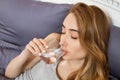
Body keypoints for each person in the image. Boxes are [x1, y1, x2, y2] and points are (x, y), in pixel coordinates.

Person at [5, 2, 109, 80]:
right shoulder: (54, 42)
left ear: (93, 42)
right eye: (63, 31)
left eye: (73, 36)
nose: (62, 41)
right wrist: (25, 55)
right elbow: (9, 74)